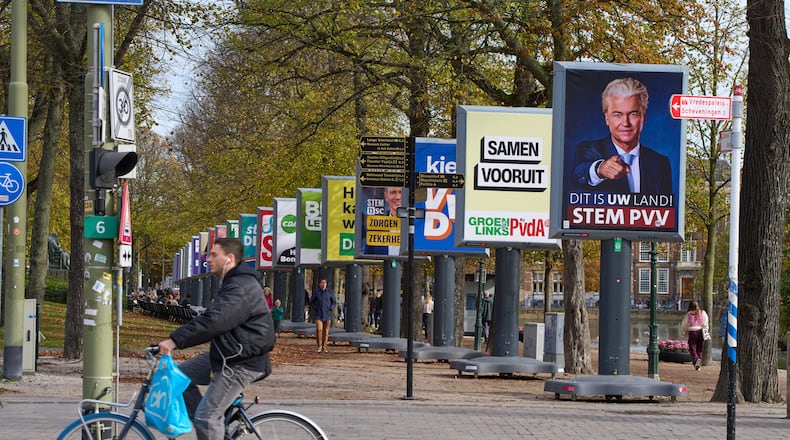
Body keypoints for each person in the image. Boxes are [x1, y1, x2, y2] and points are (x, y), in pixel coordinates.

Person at [157, 238, 275, 440]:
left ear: (229, 258)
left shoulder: (240, 287)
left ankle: (210, 424)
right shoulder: (232, 283)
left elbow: (214, 321)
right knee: (179, 377)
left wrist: (174, 340)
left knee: (206, 417)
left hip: (241, 361)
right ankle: (213, 430)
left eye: (213, 254)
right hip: (227, 354)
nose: (208, 259)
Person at [572, 77, 672, 195]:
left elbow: (666, 209)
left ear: (643, 118)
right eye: (617, 115)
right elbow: (579, 174)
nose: (625, 123)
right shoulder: (588, 149)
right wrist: (600, 169)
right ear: (607, 118)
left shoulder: (660, 163)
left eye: (633, 114)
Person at [680, 300, 709, 371]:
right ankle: (698, 363)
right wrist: (706, 331)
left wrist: (683, 331)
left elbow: (685, 323)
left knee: (692, 347)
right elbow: (705, 322)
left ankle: (696, 360)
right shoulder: (703, 313)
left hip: (693, 331)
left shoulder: (689, 314)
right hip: (701, 331)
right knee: (700, 348)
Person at [310, 278, 336, 353]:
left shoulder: (330, 292)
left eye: (325, 282)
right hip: (319, 314)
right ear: (319, 284)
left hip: (327, 314)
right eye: (322, 282)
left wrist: (331, 308)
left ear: (326, 284)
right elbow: (311, 302)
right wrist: (316, 308)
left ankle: (324, 346)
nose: (323, 284)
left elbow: (334, 302)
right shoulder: (316, 292)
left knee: (326, 331)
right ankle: (319, 345)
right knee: (319, 329)